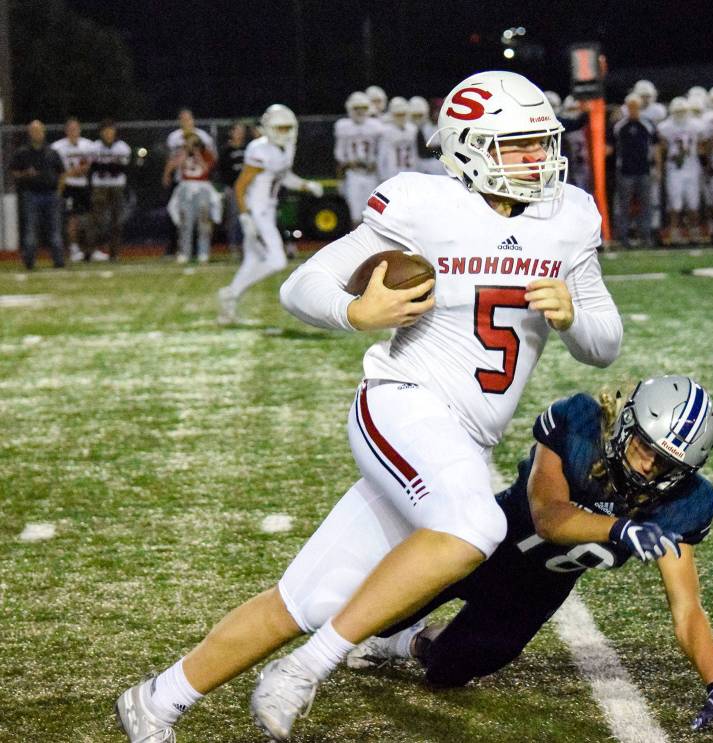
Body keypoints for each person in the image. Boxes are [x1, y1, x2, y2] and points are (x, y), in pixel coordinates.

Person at [116, 70, 622, 742]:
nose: (540, 158)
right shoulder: (425, 206)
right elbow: (304, 283)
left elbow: (604, 342)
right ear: (469, 146)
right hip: (402, 403)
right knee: (476, 523)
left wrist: (569, 317)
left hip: (463, 437)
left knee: (308, 597)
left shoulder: (568, 217)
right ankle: (304, 670)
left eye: (541, 142)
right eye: (520, 145)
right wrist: (356, 309)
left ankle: (157, 699)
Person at [346, 377, 713, 732]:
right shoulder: (581, 422)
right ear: (627, 422)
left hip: (536, 588)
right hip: (479, 545)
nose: (646, 468)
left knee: (450, 669)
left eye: (664, 465)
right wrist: (618, 527)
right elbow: (548, 515)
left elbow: (686, 607)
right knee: (366, 614)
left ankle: (411, 643)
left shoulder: (687, 503)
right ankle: (385, 620)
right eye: (644, 448)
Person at [216, 104, 322, 323]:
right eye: (279, 128)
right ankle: (230, 294)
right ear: (268, 128)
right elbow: (240, 186)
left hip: (268, 210)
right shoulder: (259, 149)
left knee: (252, 261)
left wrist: (306, 186)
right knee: (277, 261)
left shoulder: (287, 147)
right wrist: (246, 217)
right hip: (257, 211)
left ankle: (228, 307)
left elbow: (284, 177)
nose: (284, 133)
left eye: (287, 128)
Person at [9, 120, 65, 270]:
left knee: (55, 230)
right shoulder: (22, 153)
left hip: (51, 194)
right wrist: (25, 174)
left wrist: (59, 191)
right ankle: (29, 262)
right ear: (29, 133)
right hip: (31, 195)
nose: (37, 133)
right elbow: (13, 172)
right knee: (31, 230)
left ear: (43, 132)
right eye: (33, 131)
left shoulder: (52, 152)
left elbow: (62, 173)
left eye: (39, 130)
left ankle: (58, 261)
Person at [658, 96, 707, 244]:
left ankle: (694, 231)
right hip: (675, 169)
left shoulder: (696, 125)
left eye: (682, 111)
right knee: (675, 203)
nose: (680, 114)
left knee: (693, 203)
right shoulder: (666, 127)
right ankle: (675, 232)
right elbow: (662, 147)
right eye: (677, 111)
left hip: (692, 168)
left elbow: (703, 144)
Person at [612, 92, 658, 246]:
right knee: (624, 206)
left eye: (635, 107)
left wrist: (657, 167)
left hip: (644, 169)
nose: (633, 110)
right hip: (625, 170)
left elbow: (656, 147)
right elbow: (612, 148)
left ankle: (645, 237)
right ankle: (624, 238)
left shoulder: (647, 124)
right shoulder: (619, 126)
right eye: (630, 107)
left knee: (646, 205)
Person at [166, 132, 218, 263]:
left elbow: (206, 169)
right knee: (185, 222)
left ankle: (203, 252)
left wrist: (197, 153)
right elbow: (175, 165)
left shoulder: (206, 154)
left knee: (204, 221)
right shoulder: (183, 153)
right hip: (186, 188)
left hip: (202, 188)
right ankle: (184, 252)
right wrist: (185, 152)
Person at [334, 91, 383, 228]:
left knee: (374, 213)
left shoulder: (376, 126)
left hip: (371, 173)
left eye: (363, 108)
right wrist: (346, 165)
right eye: (357, 108)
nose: (360, 111)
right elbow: (339, 153)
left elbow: (383, 150)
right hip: (353, 173)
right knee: (355, 214)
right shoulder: (343, 126)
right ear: (350, 108)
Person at [51, 117, 97, 262]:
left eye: (75, 129)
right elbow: (57, 170)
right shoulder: (57, 147)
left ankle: (90, 249)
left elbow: (91, 166)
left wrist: (81, 170)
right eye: (70, 129)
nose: (73, 132)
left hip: (84, 185)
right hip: (68, 186)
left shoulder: (88, 145)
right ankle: (74, 248)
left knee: (89, 218)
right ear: (66, 131)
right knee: (72, 219)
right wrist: (70, 174)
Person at [88, 120, 132, 262]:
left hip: (117, 186)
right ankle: (91, 251)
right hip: (99, 186)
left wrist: (105, 166)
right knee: (97, 220)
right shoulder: (94, 147)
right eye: (105, 131)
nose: (108, 134)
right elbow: (94, 167)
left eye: (110, 130)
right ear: (101, 133)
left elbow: (120, 168)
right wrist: (109, 166)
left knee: (117, 221)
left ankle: (114, 253)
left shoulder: (122, 147)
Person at [218, 122, 249, 257]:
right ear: (231, 132)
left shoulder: (249, 148)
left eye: (242, 130)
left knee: (248, 219)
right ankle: (234, 246)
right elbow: (223, 171)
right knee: (234, 219)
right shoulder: (226, 150)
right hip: (233, 189)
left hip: (249, 190)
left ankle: (248, 247)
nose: (240, 133)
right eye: (237, 130)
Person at [376, 96, 417, 182]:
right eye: (398, 114)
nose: (401, 117)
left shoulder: (412, 129)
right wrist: (382, 175)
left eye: (403, 114)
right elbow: (381, 155)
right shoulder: (386, 131)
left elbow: (415, 153)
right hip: (393, 173)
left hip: (410, 171)